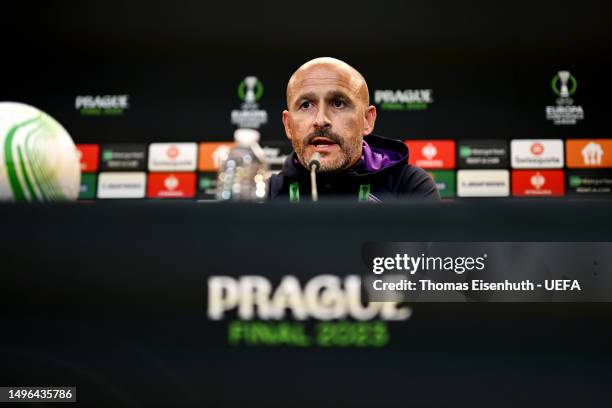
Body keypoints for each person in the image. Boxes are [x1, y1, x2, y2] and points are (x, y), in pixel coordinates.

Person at [268, 57, 440, 202]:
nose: (321, 120)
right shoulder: (267, 195)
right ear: (288, 124)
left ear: (367, 120)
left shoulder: (409, 187)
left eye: (338, 103)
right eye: (306, 105)